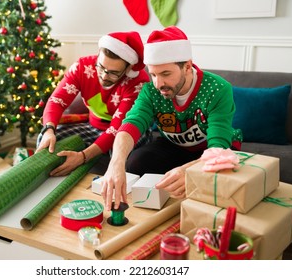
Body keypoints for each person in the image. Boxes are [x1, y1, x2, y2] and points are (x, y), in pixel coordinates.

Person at [101, 26, 243, 211]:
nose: (159, 83)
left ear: (187, 66)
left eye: (166, 74)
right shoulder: (151, 90)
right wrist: (116, 162)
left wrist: (190, 171)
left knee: (217, 182)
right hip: (174, 145)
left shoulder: (218, 89)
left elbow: (218, 147)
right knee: (134, 162)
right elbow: (132, 123)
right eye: (153, 74)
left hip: (215, 151)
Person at [35, 31, 151, 176]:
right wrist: (48, 130)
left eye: (113, 72)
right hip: (93, 127)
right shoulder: (82, 67)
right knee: (48, 140)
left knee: (117, 151)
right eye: (101, 66)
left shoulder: (138, 83)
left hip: (126, 132)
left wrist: (82, 157)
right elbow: (57, 100)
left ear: (128, 69)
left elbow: (116, 129)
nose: (103, 75)